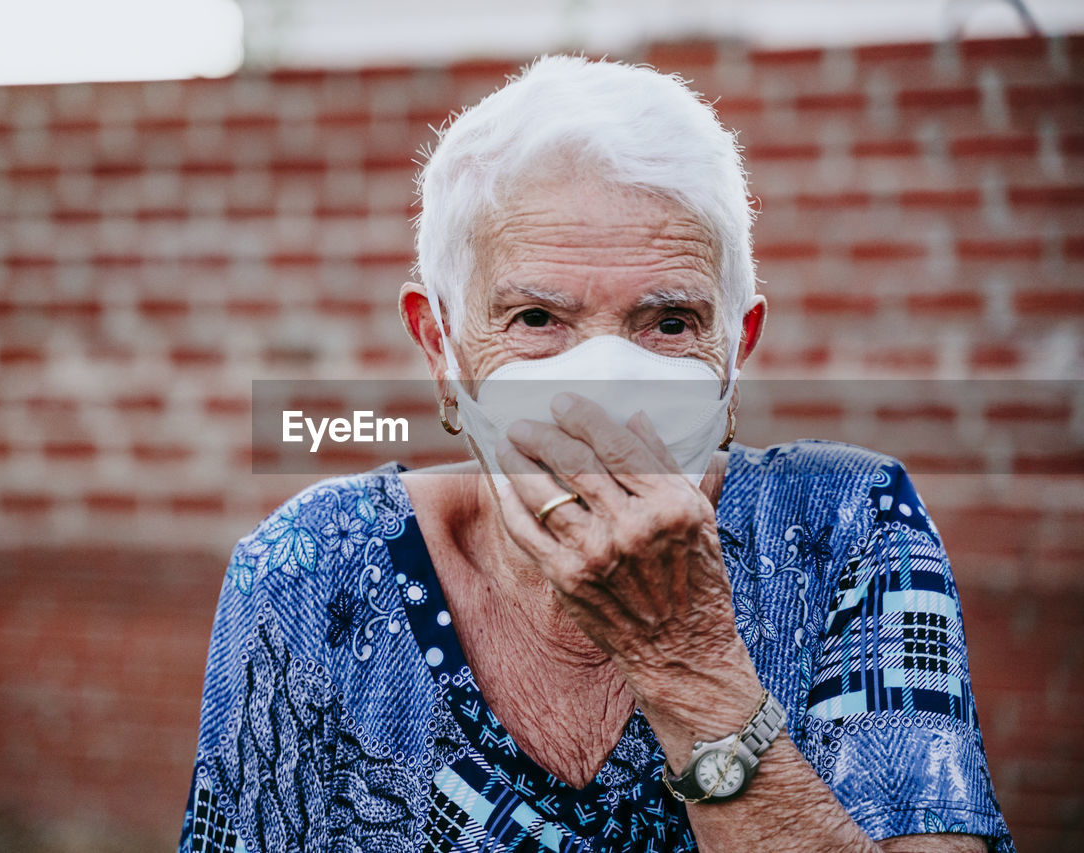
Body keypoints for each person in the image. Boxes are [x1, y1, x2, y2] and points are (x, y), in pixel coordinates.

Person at [179, 55, 1015, 853]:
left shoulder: (850, 527)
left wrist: (689, 663)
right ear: (440, 343)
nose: (609, 383)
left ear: (736, 350)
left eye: (670, 323)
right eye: (537, 319)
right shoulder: (310, 570)